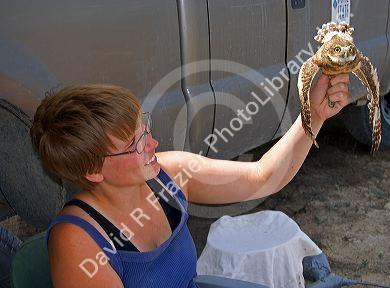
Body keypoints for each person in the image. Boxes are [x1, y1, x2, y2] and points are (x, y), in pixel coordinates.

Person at [30, 73, 350, 288]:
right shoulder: (79, 243)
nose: (153, 145)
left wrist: (314, 115)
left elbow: (262, 177)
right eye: (136, 144)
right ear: (93, 171)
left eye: (146, 130)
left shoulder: (169, 176)